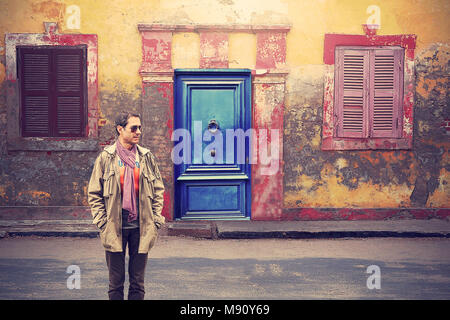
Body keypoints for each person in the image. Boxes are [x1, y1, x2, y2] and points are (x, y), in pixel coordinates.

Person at [87, 112, 165, 300]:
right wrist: (102, 223)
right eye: (133, 128)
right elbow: (94, 193)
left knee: (138, 282)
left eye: (140, 127)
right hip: (114, 227)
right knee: (116, 282)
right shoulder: (106, 158)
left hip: (141, 227)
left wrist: (155, 219)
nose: (138, 132)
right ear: (120, 129)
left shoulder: (146, 157)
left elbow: (158, 189)